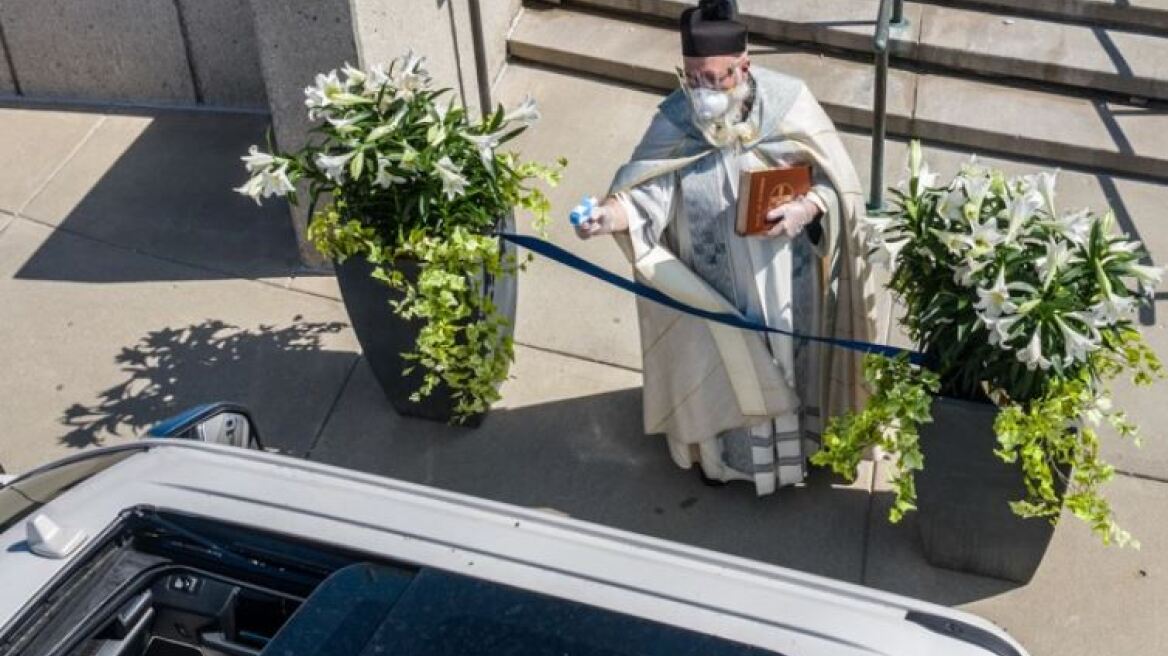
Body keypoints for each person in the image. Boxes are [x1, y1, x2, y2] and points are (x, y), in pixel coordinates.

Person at [574, 0, 878, 495]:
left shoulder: (790, 103)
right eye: (693, 78)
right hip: (711, 284)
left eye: (716, 79)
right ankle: (728, 463)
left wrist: (808, 208)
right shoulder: (677, 117)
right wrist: (607, 217)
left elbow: (838, 182)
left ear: (744, 66)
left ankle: (795, 456)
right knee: (725, 366)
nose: (704, 91)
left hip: (784, 280)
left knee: (784, 361)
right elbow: (646, 191)